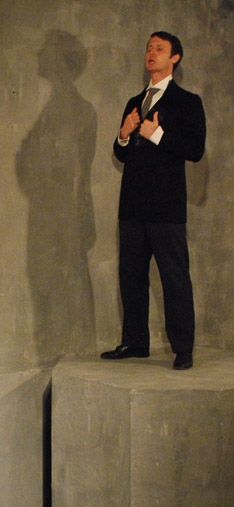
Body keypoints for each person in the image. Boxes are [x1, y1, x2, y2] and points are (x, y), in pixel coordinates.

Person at [101, 31, 206, 370]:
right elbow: (122, 154)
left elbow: (195, 150)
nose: (151, 52)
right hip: (132, 205)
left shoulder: (187, 102)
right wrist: (124, 134)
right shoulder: (135, 101)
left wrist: (156, 133)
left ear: (175, 57)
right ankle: (135, 342)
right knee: (131, 276)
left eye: (159, 48)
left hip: (166, 207)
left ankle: (183, 349)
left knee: (174, 278)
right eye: (148, 47)